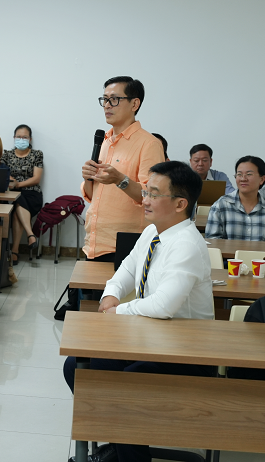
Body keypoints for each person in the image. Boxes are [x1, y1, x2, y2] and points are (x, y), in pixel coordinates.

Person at [63, 161, 214, 462]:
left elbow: (163, 305)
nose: (144, 200)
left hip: (183, 350)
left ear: (180, 204)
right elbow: (127, 269)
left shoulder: (186, 244)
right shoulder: (152, 232)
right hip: (150, 339)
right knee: (77, 366)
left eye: (154, 194)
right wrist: (110, 295)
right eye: (146, 191)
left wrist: (118, 311)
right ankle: (121, 444)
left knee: (126, 382)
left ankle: (126, 450)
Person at [81, 76, 166, 264]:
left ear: (134, 104)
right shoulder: (104, 141)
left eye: (114, 99)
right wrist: (88, 178)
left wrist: (120, 179)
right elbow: (93, 195)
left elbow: (152, 197)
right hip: (94, 243)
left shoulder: (149, 144)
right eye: (104, 99)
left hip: (126, 247)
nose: (107, 105)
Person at [205, 156, 265, 242]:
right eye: (239, 174)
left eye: (249, 174)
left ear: (262, 179)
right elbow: (212, 241)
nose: (243, 179)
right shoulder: (221, 206)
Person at [1, 124, 43, 281]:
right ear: (14, 138)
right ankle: (28, 236)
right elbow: (4, 173)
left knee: (18, 201)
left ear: (30, 139)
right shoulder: (6, 155)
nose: (21, 139)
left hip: (32, 194)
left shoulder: (37, 154)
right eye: (18, 136)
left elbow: (36, 178)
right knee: (16, 202)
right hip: (12, 194)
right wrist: (11, 182)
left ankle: (16, 250)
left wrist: (18, 184)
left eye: (24, 137)